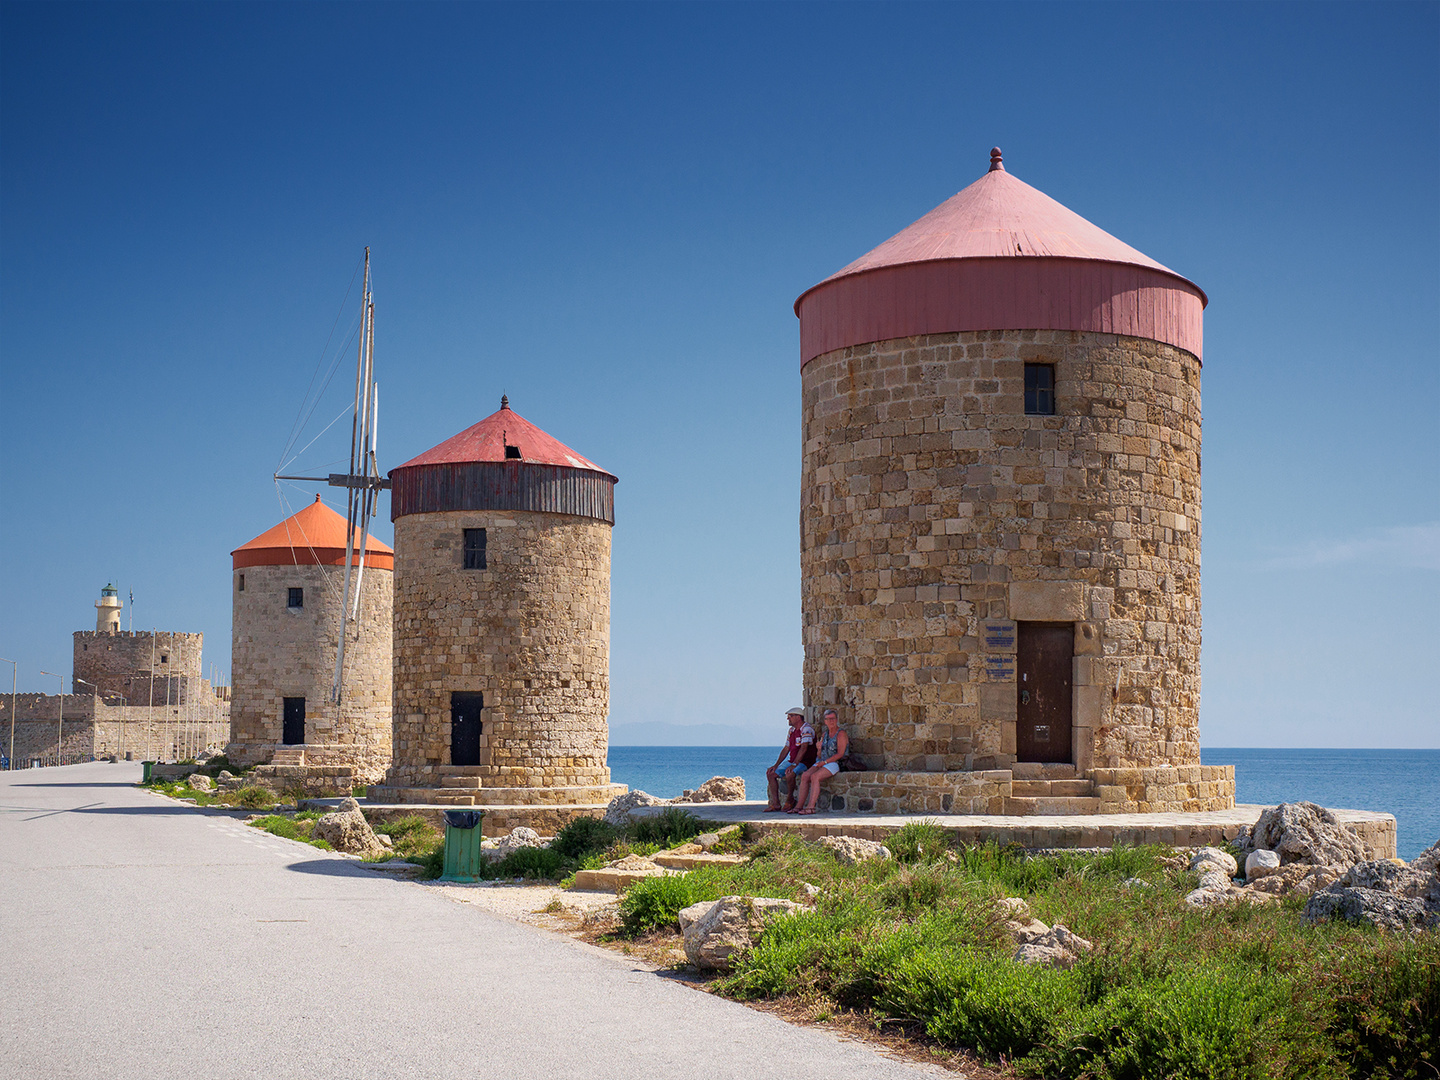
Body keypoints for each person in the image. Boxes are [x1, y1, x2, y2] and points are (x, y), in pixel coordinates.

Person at [793, 708, 846, 815]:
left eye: (833, 719)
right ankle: (799, 806)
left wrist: (825, 762)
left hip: (835, 763)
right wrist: (819, 749)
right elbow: (820, 755)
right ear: (825, 721)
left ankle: (811, 807)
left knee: (815, 777)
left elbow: (840, 754)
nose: (831, 721)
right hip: (823, 761)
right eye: (828, 719)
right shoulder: (824, 735)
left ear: (836, 720)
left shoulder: (841, 734)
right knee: (805, 776)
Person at [764, 707, 813, 812]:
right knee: (771, 774)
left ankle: (790, 799)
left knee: (790, 773)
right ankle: (776, 803)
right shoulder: (791, 731)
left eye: (790, 716)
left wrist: (795, 764)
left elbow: (804, 748)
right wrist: (776, 765)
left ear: (798, 717)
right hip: (793, 761)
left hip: (804, 762)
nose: (788, 719)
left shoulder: (806, 729)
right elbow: (786, 748)